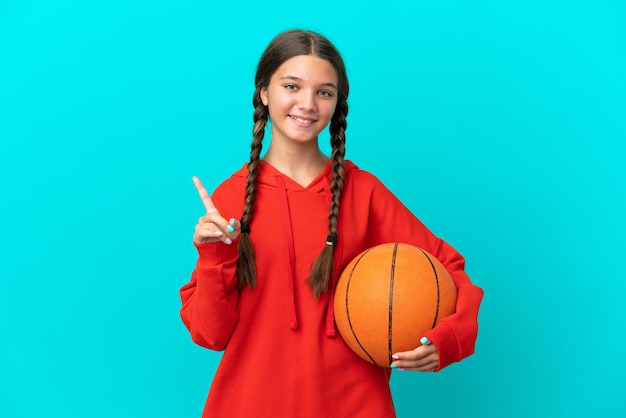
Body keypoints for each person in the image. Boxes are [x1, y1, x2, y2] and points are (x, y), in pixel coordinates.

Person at [180, 29, 484, 418]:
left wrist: (449, 338)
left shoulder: (364, 192)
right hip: (248, 404)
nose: (307, 104)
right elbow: (210, 333)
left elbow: (449, 269)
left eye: (324, 92)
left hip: (355, 404)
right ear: (264, 92)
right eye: (291, 86)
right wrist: (213, 253)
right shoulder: (230, 200)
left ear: (337, 103)